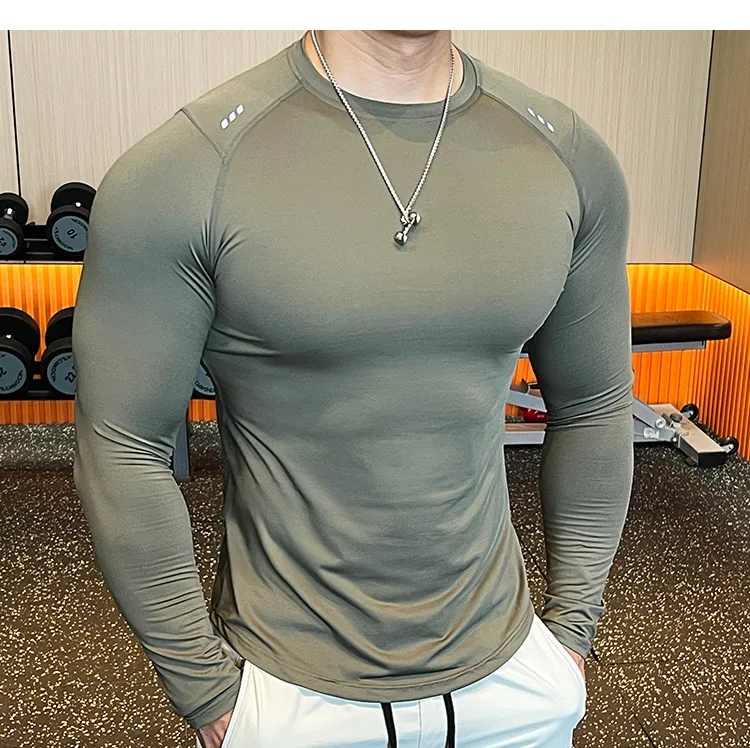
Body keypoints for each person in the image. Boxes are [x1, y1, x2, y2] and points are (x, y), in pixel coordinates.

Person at [72, 29, 635, 748]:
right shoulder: (186, 168)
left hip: (513, 679)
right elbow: (122, 447)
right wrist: (207, 692)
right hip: (289, 695)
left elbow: (595, 406)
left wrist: (571, 635)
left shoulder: (567, 157)